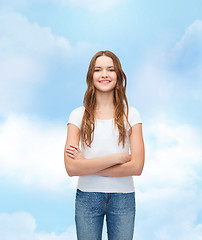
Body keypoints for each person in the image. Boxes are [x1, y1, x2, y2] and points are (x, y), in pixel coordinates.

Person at [64, 50, 145, 240]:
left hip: (123, 198)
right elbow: (71, 167)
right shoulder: (77, 116)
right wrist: (117, 158)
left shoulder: (131, 115)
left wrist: (87, 165)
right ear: (91, 76)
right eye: (98, 70)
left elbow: (137, 167)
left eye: (110, 69)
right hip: (87, 197)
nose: (104, 74)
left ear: (118, 75)